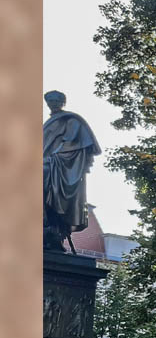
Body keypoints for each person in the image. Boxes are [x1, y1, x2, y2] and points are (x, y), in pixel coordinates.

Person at [42, 90, 101, 252]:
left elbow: (73, 147)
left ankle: (51, 227)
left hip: (61, 167)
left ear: (63, 102)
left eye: (57, 100)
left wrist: (53, 158)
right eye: (50, 100)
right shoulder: (47, 124)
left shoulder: (72, 121)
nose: (53, 103)